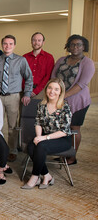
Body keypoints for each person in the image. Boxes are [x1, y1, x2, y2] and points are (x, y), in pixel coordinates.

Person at [51, 35, 95, 165]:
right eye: (72, 44)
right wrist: (55, 92)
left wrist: (63, 96)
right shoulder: (61, 60)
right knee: (62, 128)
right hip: (59, 100)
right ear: (68, 46)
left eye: (79, 45)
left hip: (78, 101)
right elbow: (53, 75)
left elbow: (81, 84)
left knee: (74, 128)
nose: (75, 47)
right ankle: (63, 153)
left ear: (84, 47)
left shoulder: (88, 63)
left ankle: (72, 157)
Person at [21, 78, 72, 189]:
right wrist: (39, 137)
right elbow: (38, 123)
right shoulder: (42, 105)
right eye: (50, 88)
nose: (52, 91)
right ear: (46, 89)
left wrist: (44, 138)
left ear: (60, 92)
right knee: (31, 146)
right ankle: (47, 175)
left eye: (56, 89)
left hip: (62, 139)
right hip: (44, 136)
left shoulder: (65, 107)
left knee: (41, 146)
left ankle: (35, 177)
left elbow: (64, 131)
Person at [0, 34, 33, 162]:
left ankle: (12, 150)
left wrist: (27, 94)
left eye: (10, 44)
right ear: (2, 45)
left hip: (13, 97)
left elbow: (29, 78)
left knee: (12, 126)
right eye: (5, 44)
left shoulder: (21, 61)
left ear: (14, 46)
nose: (7, 46)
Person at [23, 32, 55, 99]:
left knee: (38, 109)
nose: (36, 42)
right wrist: (26, 90)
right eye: (34, 40)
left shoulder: (49, 57)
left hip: (41, 91)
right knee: (24, 109)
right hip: (25, 90)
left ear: (43, 42)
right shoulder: (25, 57)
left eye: (39, 40)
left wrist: (36, 91)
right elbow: (22, 75)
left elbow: (48, 76)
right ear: (31, 42)